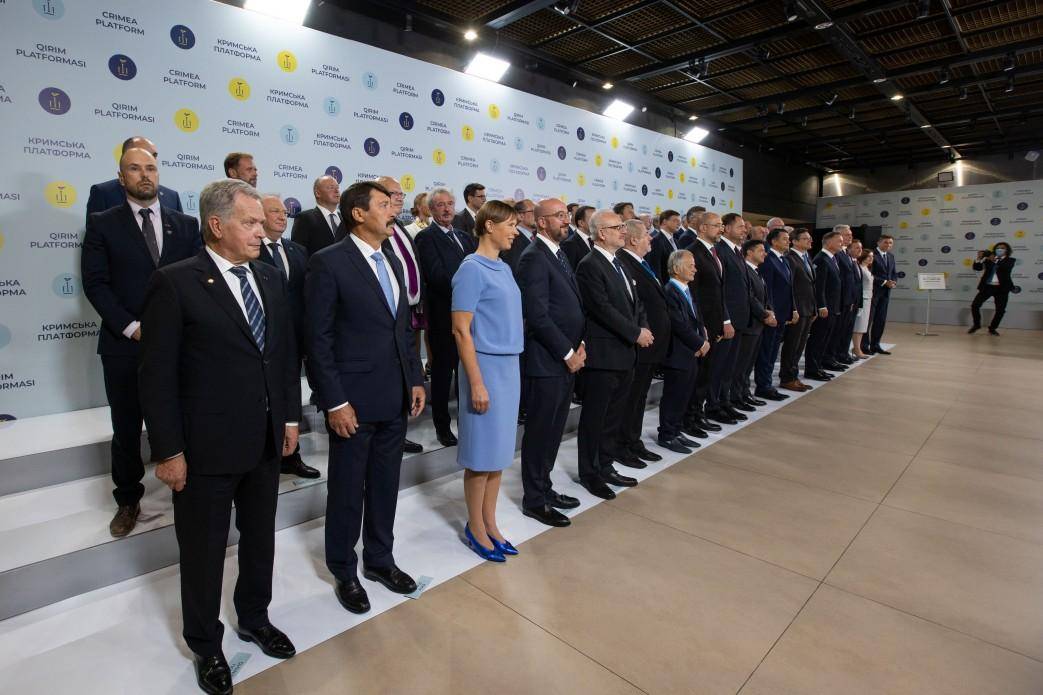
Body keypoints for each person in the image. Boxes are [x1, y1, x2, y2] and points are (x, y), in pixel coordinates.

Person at [139, 179, 301, 694]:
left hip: (264, 440)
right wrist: (168, 451)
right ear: (216, 225)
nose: (261, 232)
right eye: (250, 223)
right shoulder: (175, 283)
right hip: (204, 448)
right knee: (204, 552)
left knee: (260, 540)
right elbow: (156, 377)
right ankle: (206, 644)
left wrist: (290, 420)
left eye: (262, 223)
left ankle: (254, 617)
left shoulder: (270, 276)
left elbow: (282, 355)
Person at [306, 180, 426, 615]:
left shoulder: (391, 259)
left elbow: (403, 329)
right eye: (383, 204)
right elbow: (317, 339)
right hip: (352, 403)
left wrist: (415, 379)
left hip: (394, 396)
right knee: (346, 490)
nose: (394, 210)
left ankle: (380, 560)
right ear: (358, 213)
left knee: (384, 485)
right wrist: (335, 401)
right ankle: (344, 569)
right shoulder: (328, 262)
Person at [81, 147, 201, 538]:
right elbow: (95, 284)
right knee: (127, 427)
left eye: (151, 167)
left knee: (184, 419)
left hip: (179, 346)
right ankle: (128, 499)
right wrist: (131, 327)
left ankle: (189, 489)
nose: (145, 174)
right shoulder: (102, 223)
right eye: (135, 168)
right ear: (121, 178)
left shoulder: (186, 225)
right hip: (124, 346)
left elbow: (197, 282)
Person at [450, 200, 524, 561]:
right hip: (485, 368)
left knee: (497, 455)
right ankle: (475, 527)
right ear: (489, 226)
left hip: (508, 367)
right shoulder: (471, 269)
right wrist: (476, 382)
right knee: (480, 455)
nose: (515, 232)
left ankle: (491, 523)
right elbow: (461, 330)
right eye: (510, 225)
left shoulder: (504, 268)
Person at [574, 209, 653, 500]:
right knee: (595, 419)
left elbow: (636, 302)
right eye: (617, 227)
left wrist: (642, 327)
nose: (623, 230)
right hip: (604, 356)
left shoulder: (619, 262)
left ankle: (605, 466)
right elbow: (601, 308)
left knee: (612, 418)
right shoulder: (589, 265)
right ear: (601, 233)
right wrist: (635, 333)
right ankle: (590, 474)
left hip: (624, 354)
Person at [516, 198, 585, 528]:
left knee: (554, 431)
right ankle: (534, 500)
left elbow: (571, 307)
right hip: (547, 361)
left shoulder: (557, 253)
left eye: (566, 215)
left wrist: (579, 344)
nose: (566, 220)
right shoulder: (533, 257)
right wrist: (568, 353)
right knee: (540, 433)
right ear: (541, 222)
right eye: (559, 216)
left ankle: (545, 487)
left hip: (565, 359)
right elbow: (538, 315)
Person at [256, 194, 320, 479]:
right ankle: (266, 458)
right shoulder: (250, 250)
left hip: (296, 337)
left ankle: (291, 455)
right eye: (275, 211)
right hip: (264, 340)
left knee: (290, 394)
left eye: (284, 212)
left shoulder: (297, 250)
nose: (283, 216)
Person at [415, 187, 478, 446]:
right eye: (440, 205)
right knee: (443, 375)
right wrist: (471, 288)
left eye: (450, 204)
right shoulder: (425, 238)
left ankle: (467, 423)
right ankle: (442, 427)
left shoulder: (464, 236)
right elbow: (437, 276)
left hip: (470, 317)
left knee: (467, 372)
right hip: (444, 318)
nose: (447, 209)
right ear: (431, 209)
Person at [377, 176, 427, 454]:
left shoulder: (399, 228)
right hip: (385, 316)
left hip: (409, 311)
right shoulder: (371, 230)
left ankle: (399, 429)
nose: (399, 198)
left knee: (408, 369)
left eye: (400, 194)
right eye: (392, 193)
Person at [616, 219, 669, 465]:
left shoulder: (641, 263)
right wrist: (640, 331)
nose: (651, 238)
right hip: (638, 344)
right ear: (634, 239)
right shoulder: (623, 262)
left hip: (650, 345)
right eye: (647, 234)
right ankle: (623, 445)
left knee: (639, 398)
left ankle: (633, 441)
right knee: (630, 399)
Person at [682, 212, 729, 438]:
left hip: (713, 324)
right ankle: (689, 419)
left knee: (706, 375)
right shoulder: (692, 252)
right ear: (702, 228)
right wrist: (702, 328)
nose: (721, 229)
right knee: (697, 376)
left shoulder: (713, 252)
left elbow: (717, 292)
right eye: (717, 225)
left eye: (721, 225)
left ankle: (697, 414)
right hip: (702, 327)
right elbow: (693, 296)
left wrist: (720, 323)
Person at [659, 250, 709, 453]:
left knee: (684, 395)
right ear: (677, 268)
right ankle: (667, 435)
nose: (695, 269)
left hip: (690, 352)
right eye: (691, 265)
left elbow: (696, 317)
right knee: (674, 396)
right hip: (678, 353)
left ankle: (676, 430)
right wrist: (699, 343)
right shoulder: (670, 290)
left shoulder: (686, 289)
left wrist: (703, 337)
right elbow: (678, 324)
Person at [709, 212, 749, 424]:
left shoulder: (736, 251)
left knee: (730, 367)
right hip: (727, 321)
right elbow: (719, 290)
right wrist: (726, 320)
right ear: (727, 228)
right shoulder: (720, 251)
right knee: (719, 367)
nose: (744, 230)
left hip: (739, 319)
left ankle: (725, 402)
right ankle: (713, 406)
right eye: (740, 226)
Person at [86, 136, 182, 216]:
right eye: (142, 153)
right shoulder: (103, 193)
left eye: (154, 155)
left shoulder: (172, 197)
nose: (150, 158)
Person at [732, 239, 776, 411]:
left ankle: (744, 393)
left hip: (758, 325)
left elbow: (763, 295)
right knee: (741, 365)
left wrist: (769, 310)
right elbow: (749, 297)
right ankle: (736, 397)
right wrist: (764, 314)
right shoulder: (745, 270)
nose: (765, 253)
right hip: (749, 324)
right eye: (760, 250)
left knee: (748, 364)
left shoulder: (757, 271)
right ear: (749, 252)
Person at [754, 226, 797, 401]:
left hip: (783, 314)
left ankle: (768, 384)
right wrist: (769, 313)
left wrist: (793, 309)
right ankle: (763, 386)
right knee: (766, 352)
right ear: (773, 241)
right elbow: (767, 290)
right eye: (784, 239)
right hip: (772, 315)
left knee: (773, 352)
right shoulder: (768, 260)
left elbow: (789, 288)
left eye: (788, 239)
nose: (788, 241)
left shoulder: (784, 260)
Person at [780, 228, 817, 392]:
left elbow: (811, 285)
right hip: (798, 309)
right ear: (794, 241)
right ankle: (787, 378)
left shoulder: (806, 257)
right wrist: (793, 309)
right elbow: (790, 287)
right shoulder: (790, 258)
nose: (810, 241)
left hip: (808, 308)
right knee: (792, 345)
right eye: (805, 238)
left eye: (810, 238)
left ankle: (794, 376)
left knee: (800, 345)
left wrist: (814, 308)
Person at [805, 230, 844, 381]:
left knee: (825, 338)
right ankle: (812, 369)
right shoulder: (821, 259)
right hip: (825, 308)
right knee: (818, 338)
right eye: (839, 241)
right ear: (828, 242)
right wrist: (821, 306)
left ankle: (819, 367)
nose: (841, 243)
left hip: (832, 306)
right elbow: (819, 286)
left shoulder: (832, 258)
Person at [289, 176, 344, 257]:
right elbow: (298, 253)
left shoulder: (345, 218)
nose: (337, 191)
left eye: (337, 187)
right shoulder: (304, 218)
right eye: (331, 188)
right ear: (318, 193)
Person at [828, 225, 859, 367]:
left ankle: (840, 354)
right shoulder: (837, 254)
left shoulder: (846, 253)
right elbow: (839, 280)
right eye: (846, 234)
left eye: (850, 234)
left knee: (844, 330)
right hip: (840, 301)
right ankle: (833, 356)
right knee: (836, 332)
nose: (850, 237)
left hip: (848, 300)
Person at [969, 241, 1015, 336]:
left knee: (1000, 310)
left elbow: (1005, 268)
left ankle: (992, 328)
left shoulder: (1010, 260)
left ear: (1007, 250)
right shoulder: (988, 259)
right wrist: (979, 258)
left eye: (1002, 248)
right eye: (998, 248)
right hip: (987, 287)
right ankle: (976, 325)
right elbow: (977, 268)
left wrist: (993, 259)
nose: (999, 249)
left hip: (1002, 289)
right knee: (975, 305)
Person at [865, 234, 897, 352]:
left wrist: (893, 281)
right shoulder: (871, 255)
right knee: (868, 320)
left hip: (886, 293)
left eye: (890, 243)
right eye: (885, 242)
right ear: (878, 243)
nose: (888, 245)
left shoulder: (891, 256)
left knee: (880, 320)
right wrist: (884, 282)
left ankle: (875, 345)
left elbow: (893, 273)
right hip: (873, 292)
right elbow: (868, 273)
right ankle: (864, 346)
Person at [646, 209, 682, 283]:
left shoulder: (676, 241)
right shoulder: (656, 241)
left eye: (679, 221)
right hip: (666, 285)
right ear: (664, 222)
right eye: (675, 220)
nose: (679, 224)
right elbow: (655, 268)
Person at [501, 199, 535, 272]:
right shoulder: (512, 239)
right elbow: (514, 269)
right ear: (520, 216)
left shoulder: (535, 237)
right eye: (533, 211)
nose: (537, 215)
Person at [852, 249, 874, 358]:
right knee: (859, 325)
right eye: (869, 256)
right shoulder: (859, 267)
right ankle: (857, 349)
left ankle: (857, 348)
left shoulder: (866, 268)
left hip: (868, 299)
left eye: (872, 256)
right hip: (862, 299)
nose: (871, 258)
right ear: (863, 257)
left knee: (863, 325)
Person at [561, 204, 594, 271]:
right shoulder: (570, 244)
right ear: (581, 223)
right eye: (593, 220)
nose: (597, 223)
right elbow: (570, 272)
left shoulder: (596, 241)